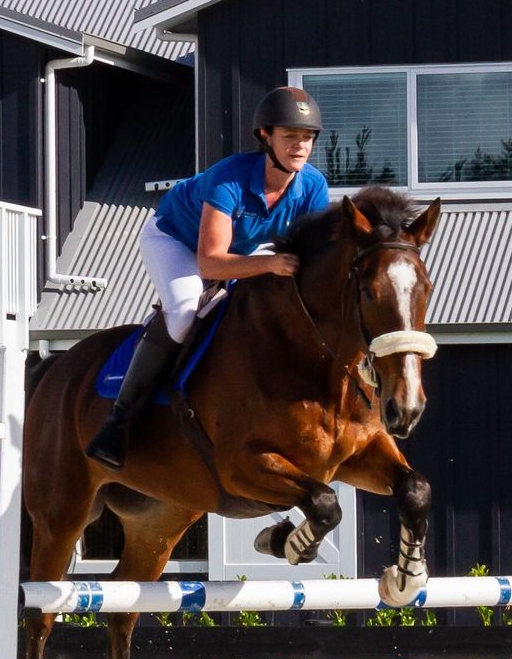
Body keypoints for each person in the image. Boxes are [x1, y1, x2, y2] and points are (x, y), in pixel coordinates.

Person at [84, 86, 331, 467]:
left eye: (307, 138)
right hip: (176, 240)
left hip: (245, 248)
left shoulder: (313, 186)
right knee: (185, 310)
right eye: (290, 136)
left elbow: (311, 256)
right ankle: (117, 424)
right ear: (265, 136)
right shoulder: (228, 179)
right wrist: (269, 265)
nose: (300, 146)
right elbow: (211, 264)